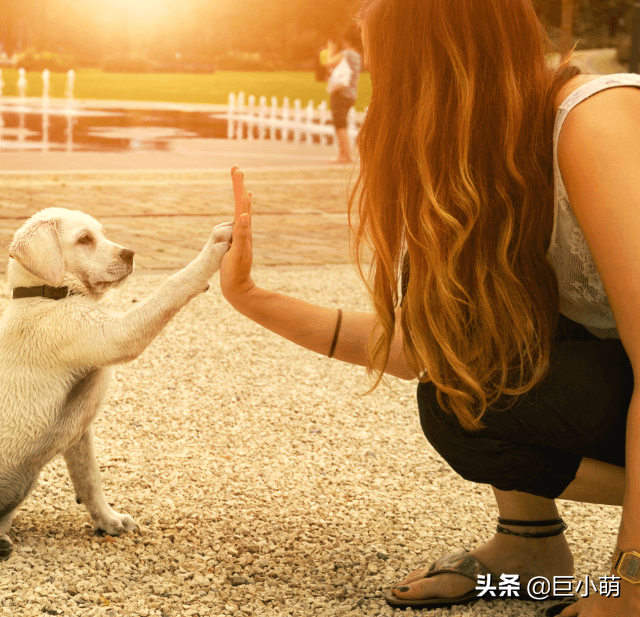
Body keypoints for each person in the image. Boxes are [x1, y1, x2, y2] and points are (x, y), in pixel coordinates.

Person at [219, 0, 640, 615]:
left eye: (389, 74)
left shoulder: (596, 120)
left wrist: (628, 588)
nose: (377, 99)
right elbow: (424, 354)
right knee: (459, 396)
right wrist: (250, 297)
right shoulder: (489, 172)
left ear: (440, 70)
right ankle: (530, 554)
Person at [326, 27, 362, 164]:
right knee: (341, 123)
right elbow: (337, 71)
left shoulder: (345, 53)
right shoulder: (358, 56)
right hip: (351, 94)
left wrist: (330, 50)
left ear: (347, 40)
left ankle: (346, 156)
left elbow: (328, 62)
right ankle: (342, 155)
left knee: (340, 125)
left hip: (341, 93)